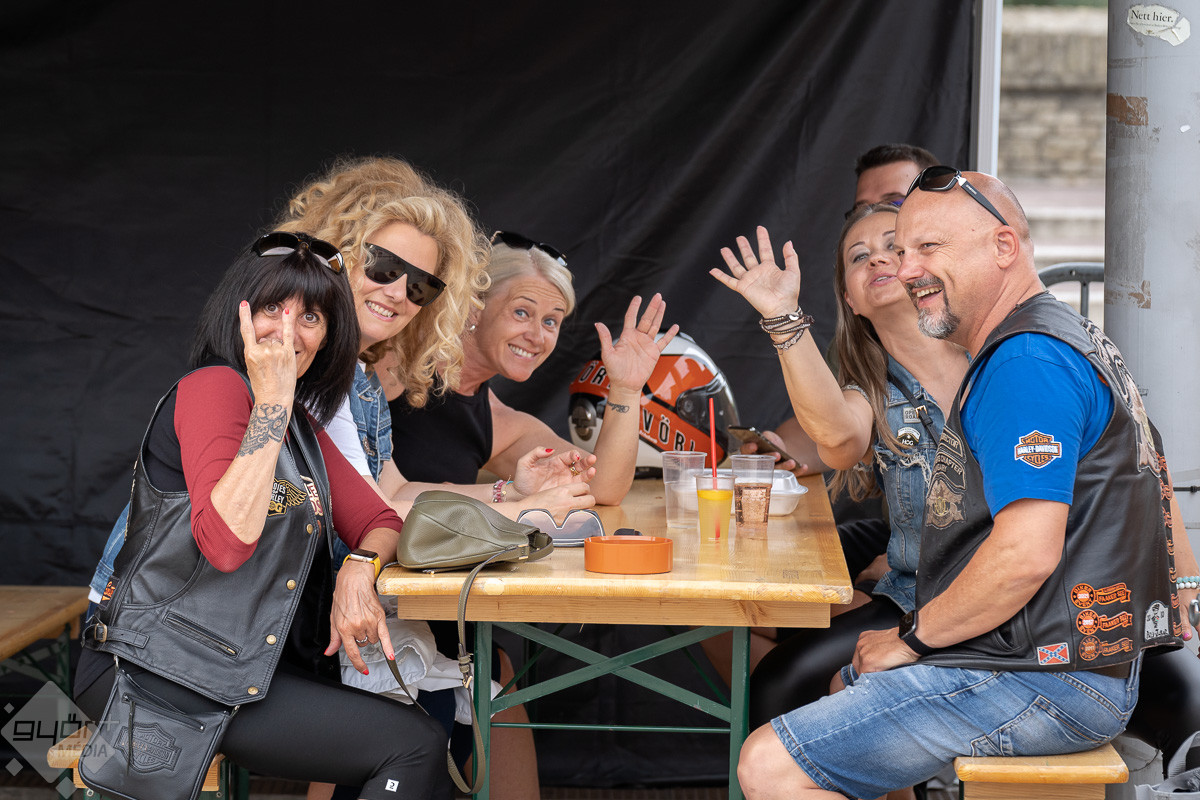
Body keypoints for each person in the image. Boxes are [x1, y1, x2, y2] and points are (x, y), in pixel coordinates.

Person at [733, 168, 1189, 800]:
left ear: (1003, 247)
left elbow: (1024, 555)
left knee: (767, 765)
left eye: (927, 247)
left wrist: (911, 640)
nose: (905, 266)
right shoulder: (1061, 336)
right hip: (1045, 655)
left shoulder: (1023, 362)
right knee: (842, 686)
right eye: (898, 251)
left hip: (1044, 671)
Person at [76, 232, 450, 799]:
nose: (288, 330)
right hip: (150, 668)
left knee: (417, 738)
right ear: (240, 314)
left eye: (311, 317)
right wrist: (272, 403)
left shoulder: (297, 426)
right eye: (273, 308)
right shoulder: (214, 389)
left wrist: (359, 570)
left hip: (231, 666)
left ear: (326, 338)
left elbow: (381, 519)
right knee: (412, 746)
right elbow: (227, 543)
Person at [272, 157, 577, 800]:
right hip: (257, 626)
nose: (398, 293)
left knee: (468, 675)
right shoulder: (291, 358)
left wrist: (516, 497)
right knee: (428, 709)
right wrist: (523, 512)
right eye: (383, 267)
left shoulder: (355, 376)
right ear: (337, 253)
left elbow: (389, 495)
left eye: (421, 286)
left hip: (322, 603)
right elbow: (377, 509)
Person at [709, 204, 969, 715]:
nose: (877, 259)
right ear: (850, 299)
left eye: (894, 246)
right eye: (858, 256)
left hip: (998, 598)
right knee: (781, 680)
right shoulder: (871, 391)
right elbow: (835, 437)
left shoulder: (995, 357)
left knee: (793, 682)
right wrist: (782, 316)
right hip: (914, 595)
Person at [387, 230, 679, 507]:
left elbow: (603, 486)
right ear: (474, 306)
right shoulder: (392, 363)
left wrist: (626, 390)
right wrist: (505, 495)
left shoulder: (499, 424)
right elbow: (382, 495)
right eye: (521, 312)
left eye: (550, 321)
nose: (537, 337)